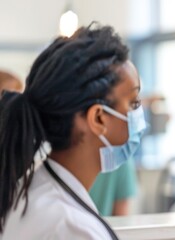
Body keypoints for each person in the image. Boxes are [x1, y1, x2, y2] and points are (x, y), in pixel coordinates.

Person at [0, 25, 146, 239]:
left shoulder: (34, 190)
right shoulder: (71, 228)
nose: (139, 114)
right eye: (133, 103)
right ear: (98, 118)